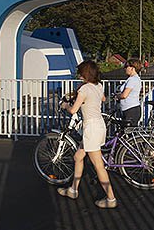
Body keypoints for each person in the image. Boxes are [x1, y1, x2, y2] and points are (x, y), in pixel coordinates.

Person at [58, 60, 117, 209]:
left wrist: (65, 105)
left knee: (98, 166)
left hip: (91, 128)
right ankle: (73, 190)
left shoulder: (84, 89)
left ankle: (111, 199)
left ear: (84, 74)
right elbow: (102, 99)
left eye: (80, 73)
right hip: (99, 125)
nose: (79, 75)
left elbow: (73, 110)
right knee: (78, 157)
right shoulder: (98, 86)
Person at [118, 58, 142, 126]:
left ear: (132, 68)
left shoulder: (132, 80)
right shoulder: (134, 79)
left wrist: (117, 96)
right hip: (130, 109)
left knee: (129, 133)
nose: (125, 68)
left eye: (126, 66)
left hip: (131, 110)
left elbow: (124, 95)